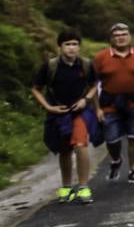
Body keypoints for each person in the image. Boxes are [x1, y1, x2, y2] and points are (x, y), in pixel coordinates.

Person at [30, 30, 99, 203]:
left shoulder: (86, 64)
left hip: (80, 111)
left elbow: (94, 85)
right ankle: (67, 187)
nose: (71, 48)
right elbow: (35, 88)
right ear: (60, 47)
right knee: (64, 150)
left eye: (75, 44)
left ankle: (83, 187)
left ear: (79, 47)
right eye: (67, 44)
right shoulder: (50, 66)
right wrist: (48, 107)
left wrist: (86, 100)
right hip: (59, 113)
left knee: (80, 144)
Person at [93, 22, 134, 185]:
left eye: (123, 34)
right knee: (112, 139)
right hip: (110, 103)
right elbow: (92, 84)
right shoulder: (101, 57)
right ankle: (115, 159)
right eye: (116, 35)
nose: (120, 38)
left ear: (130, 36)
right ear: (111, 39)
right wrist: (97, 108)